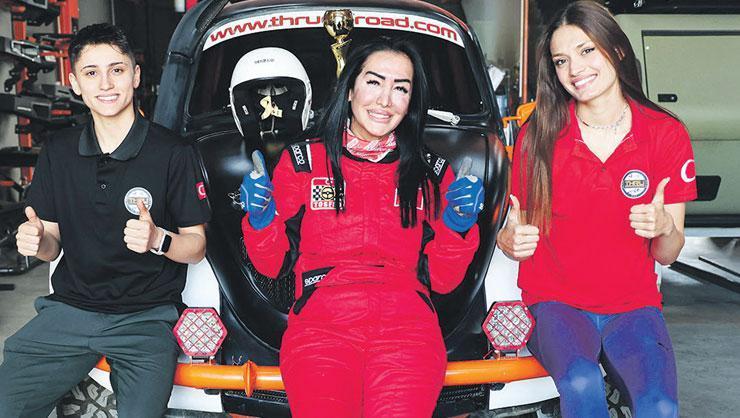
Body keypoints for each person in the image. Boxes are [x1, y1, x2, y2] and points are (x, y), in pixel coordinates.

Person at [239, 37, 484, 417]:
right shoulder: (304, 161)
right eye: (374, 82)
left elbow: (443, 280)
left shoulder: (431, 171)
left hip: (407, 330)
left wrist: (458, 227)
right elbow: (271, 265)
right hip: (322, 328)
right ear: (350, 88)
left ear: (411, 101)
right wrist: (260, 219)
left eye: (400, 88)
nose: (385, 100)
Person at [497, 2, 696, 418]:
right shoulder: (540, 135)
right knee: (581, 381)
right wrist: (509, 240)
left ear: (617, 50)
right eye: (561, 60)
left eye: (587, 50)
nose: (575, 70)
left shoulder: (665, 133)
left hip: (634, 306)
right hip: (556, 304)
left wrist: (663, 227)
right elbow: (514, 230)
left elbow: (667, 254)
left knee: (660, 405)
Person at [1, 23, 210, 418]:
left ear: (135, 75)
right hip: (69, 311)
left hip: (146, 317)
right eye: (91, 72)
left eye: (116, 69)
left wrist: (158, 240)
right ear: (75, 83)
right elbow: (52, 245)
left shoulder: (173, 152)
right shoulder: (58, 151)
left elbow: (196, 246)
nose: (106, 84)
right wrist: (37, 241)